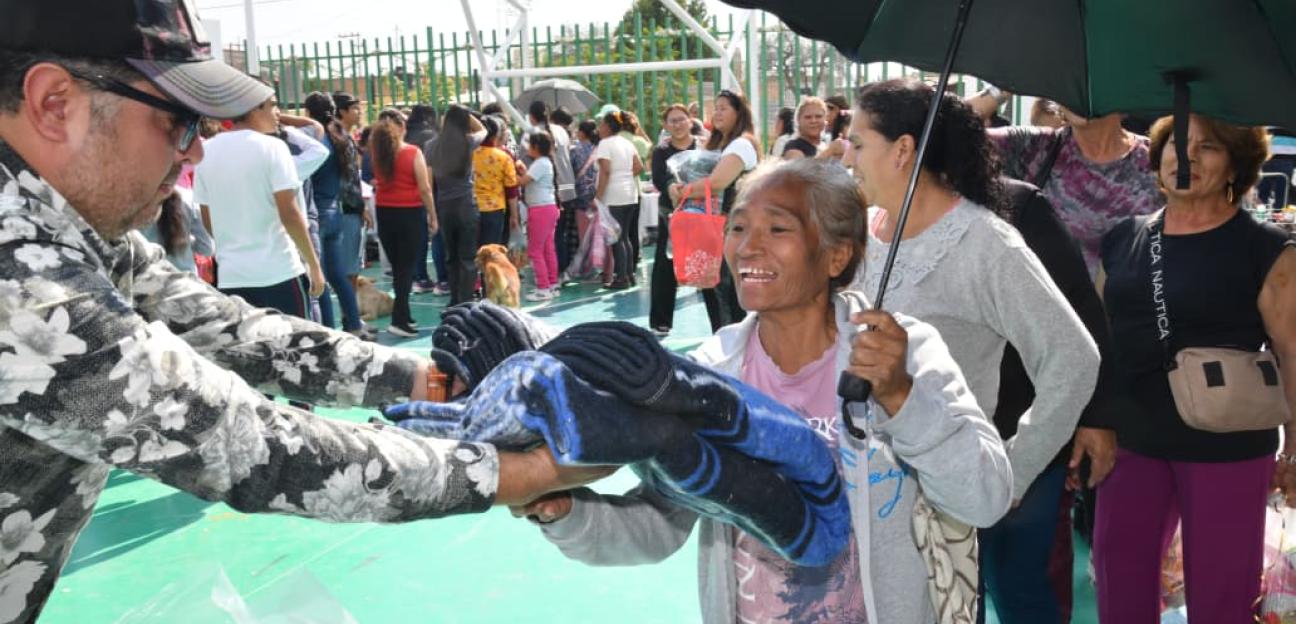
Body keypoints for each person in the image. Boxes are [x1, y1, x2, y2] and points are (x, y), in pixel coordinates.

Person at [0, 3, 612, 621]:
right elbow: (245, 443)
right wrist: (522, 471)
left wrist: (434, 383)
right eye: (180, 123)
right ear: (55, 104)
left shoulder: (69, 230)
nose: (196, 155)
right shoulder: (18, 279)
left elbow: (233, 332)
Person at [517, 158, 1013, 623]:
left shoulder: (905, 354)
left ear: (836, 255)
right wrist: (567, 513)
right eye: (737, 227)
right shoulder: (711, 374)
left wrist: (904, 400)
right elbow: (661, 520)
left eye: (777, 229)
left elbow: (984, 498)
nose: (747, 247)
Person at [844, 79, 1102, 624]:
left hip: (943, 496)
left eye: (857, 143)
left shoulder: (984, 243)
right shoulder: (865, 231)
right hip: (861, 491)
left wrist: (1013, 469)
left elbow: (1074, 358)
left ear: (903, 150)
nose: (847, 157)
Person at [1094, 114, 1296, 623]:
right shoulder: (1123, 238)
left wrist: (1294, 446)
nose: (1185, 158)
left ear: (1235, 165)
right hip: (1130, 436)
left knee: (1222, 592)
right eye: (1176, 145)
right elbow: (1098, 339)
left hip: (1226, 440)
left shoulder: (1265, 247)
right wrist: (1091, 421)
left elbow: (1292, 350)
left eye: (1207, 147)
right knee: (1118, 575)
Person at [195, 92, 325, 324]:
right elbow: (290, 213)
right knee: (296, 342)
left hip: (232, 277)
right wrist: (314, 266)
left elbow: (207, 218)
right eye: (273, 105)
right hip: (280, 272)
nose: (278, 113)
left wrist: (235, 244)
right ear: (255, 108)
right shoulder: (273, 147)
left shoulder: (206, 151)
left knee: (251, 345)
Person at [989, 108, 1162, 277]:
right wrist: (1001, 93)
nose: (1080, 97)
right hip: (1048, 294)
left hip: (1135, 293)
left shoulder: (1157, 157)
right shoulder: (1038, 146)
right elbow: (971, 138)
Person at [668, 89, 759, 332]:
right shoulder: (722, 144)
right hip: (721, 231)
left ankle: (733, 346)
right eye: (715, 108)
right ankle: (727, 342)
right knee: (716, 291)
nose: (717, 113)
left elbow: (717, 183)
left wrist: (684, 191)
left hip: (733, 231)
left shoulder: (741, 144)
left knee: (726, 295)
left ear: (739, 112)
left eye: (723, 108)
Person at [303, 91, 371, 339]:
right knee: (338, 275)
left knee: (318, 277)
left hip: (318, 213)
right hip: (335, 212)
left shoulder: (316, 141)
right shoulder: (341, 137)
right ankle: (354, 324)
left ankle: (329, 330)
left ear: (308, 113)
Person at [369, 108, 438, 337]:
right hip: (409, 213)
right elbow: (425, 188)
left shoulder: (377, 153)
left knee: (399, 267)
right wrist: (433, 214)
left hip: (384, 212)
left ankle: (404, 314)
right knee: (406, 268)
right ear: (401, 127)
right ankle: (399, 320)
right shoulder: (412, 152)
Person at [648, 104, 701, 336]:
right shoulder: (661, 151)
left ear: (690, 121)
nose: (678, 124)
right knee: (665, 264)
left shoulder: (704, 147)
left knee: (709, 262)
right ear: (666, 125)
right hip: (671, 214)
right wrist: (671, 186)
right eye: (673, 121)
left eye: (681, 119)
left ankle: (722, 321)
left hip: (702, 213)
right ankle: (661, 321)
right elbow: (659, 178)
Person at [427, 103, 485, 306]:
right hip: (466, 203)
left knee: (451, 256)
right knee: (467, 257)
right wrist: (468, 116)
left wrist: (431, 211)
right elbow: (483, 130)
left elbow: (429, 182)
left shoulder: (432, 145)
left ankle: (454, 299)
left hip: (444, 204)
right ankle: (466, 300)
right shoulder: (468, 141)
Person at [594, 111, 645, 289]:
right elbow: (639, 166)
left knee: (616, 238)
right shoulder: (626, 143)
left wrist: (599, 196)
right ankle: (629, 275)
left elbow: (605, 171)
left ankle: (621, 278)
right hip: (630, 193)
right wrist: (625, 177)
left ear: (608, 127)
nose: (599, 128)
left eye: (601, 124)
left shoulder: (604, 144)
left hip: (613, 195)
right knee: (625, 236)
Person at [517, 131, 560, 301]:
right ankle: (552, 284)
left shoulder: (540, 163)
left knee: (535, 251)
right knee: (548, 248)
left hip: (540, 209)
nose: (528, 148)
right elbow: (530, 178)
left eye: (530, 145)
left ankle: (543, 288)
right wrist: (523, 171)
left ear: (536, 147)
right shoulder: (544, 162)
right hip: (548, 208)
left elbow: (522, 182)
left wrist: (511, 171)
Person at [472, 115, 519, 248]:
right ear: (497, 135)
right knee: (492, 251)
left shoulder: (468, 154)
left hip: (471, 207)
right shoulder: (504, 157)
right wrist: (514, 215)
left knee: (472, 251)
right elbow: (511, 190)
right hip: (494, 210)